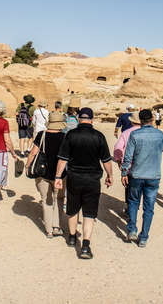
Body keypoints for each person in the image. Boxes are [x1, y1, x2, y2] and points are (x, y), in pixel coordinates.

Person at [55, 107, 113, 259]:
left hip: (74, 177)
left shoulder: (71, 135)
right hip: (93, 179)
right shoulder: (99, 136)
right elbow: (106, 160)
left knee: (73, 208)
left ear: (79, 119)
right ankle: (86, 246)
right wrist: (110, 175)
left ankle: (73, 237)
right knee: (89, 213)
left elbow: (63, 158)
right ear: (92, 120)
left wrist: (58, 177)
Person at [121, 109, 163, 247]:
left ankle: (132, 230)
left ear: (141, 120)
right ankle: (143, 237)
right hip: (153, 176)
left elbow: (127, 157)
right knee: (148, 207)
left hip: (136, 175)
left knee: (133, 202)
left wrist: (124, 173)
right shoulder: (160, 135)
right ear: (151, 119)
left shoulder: (134, 134)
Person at [25, 112, 66, 238]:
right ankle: (56, 226)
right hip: (60, 174)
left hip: (42, 173)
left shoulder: (42, 135)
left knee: (46, 200)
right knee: (58, 199)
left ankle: (48, 230)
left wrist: (27, 166)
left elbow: (33, 152)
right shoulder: (65, 137)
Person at [112, 112, 141, 215]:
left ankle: (129, 206)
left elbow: (118, 148)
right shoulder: (146, 133)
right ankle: (135, 207)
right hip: (142, 166)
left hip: (128, 166)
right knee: (138, 188)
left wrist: (119, 161)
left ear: (132, 121)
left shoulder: (126, 133)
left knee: (128, 186)